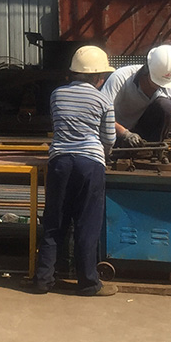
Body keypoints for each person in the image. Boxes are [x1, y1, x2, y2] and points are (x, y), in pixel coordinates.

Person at [32, 45, 117, 296]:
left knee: (54, 222)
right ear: (97, 76)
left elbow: (58, 125)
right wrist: (104, 153)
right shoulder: (103, 100)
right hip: (90, 164)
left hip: (59, 162)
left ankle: (43, 280)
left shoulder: (57, 94)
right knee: (86, 224)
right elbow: (109, 138)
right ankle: (88, 283)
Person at [101, 44, 171, 155]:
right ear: (146, 70)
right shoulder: (120, 78)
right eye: (156, 83)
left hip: (143, 133)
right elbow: (101, 113)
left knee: (165, 105)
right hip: (116, 132)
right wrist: (125, 134)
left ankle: (151, 151)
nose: (159, 86)